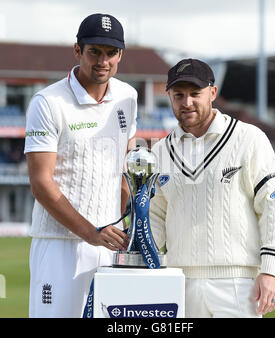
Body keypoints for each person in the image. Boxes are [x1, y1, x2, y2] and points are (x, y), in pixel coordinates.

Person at [149, 58, 275, 318]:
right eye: (179, 95)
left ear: (212, 93)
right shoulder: (159, 152)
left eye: (195, 94)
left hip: (238, 284)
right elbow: (155, 216)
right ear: (168, 95)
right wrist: (147, 268)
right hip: (179, 282)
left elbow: (274, 201)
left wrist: (270, 270)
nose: (187, 102)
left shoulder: (248, 138)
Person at [24, 13, 137, 318]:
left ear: (120, 55)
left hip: (110, 244)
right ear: (78, 50)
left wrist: (128, 221)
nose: (103, 61)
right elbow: (41, 183)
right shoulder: (48, 102)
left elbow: (126, 168)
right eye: (94, 52)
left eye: (111, 53)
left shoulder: (127, 97)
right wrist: (90, 232)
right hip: (59, 244)